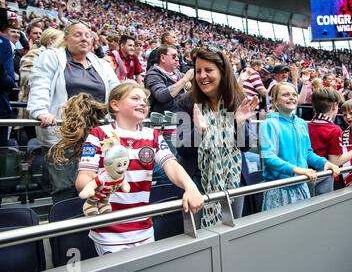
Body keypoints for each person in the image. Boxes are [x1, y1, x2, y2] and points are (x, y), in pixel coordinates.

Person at [49, 81, 203, 255]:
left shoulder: (153, 135)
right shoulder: (99, 134)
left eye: (145, 100)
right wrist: (101, 184)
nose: (143, 103)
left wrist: (191, 187)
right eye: (135, 98)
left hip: (144, 228)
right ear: (115, 104)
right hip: (109, 231)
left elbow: (171, 165)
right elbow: (83, 178)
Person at [27, 20, 120, 204]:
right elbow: (40, 85)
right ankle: (65, 230)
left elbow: (116, 90)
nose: (84, 38)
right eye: (78, 34)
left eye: (87, 35)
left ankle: (92, 229)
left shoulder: (100, 63)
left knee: (96, 185)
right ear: (66, 37)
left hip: (96, 137)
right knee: (65, 188)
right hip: (63, 136)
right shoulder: (51, 56)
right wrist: (40, 112)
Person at [176, 46, 258, 228]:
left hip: (233, 181)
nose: (202, 76)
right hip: (197, 184)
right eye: (198, 71)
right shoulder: (186, 102)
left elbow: (245, 146)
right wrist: (199, 132)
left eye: (208, 70)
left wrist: (238, 124)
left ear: (222, 72)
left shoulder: (237, 99)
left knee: (232, 233)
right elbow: (182, 149)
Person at [259, 82, 339, 210]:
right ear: (274, 102)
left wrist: (325, 163)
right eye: (285, 94)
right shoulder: (269, 124)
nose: (291, 97)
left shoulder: (301, 123)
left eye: (294, 94)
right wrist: (297, 169)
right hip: (279, 188)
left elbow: (307, 153)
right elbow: (268, 158)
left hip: (301, 185)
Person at [308, 88, 352, 194]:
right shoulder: (334, 129)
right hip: (325, 178)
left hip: (308, 176)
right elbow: (335, 161)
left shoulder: (305, 125)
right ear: (335, 106)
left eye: (351, 113)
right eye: (344, 114)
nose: (347, 117)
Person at [145, 45, 193, 114]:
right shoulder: (153, 74)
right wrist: (185, 80)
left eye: (178, 56)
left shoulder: (177, 72)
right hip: (166, 119)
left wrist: (188, 82)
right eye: (174, 56)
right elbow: (161, 96)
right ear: (162, 58)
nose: (177, 59)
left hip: (184, 115)